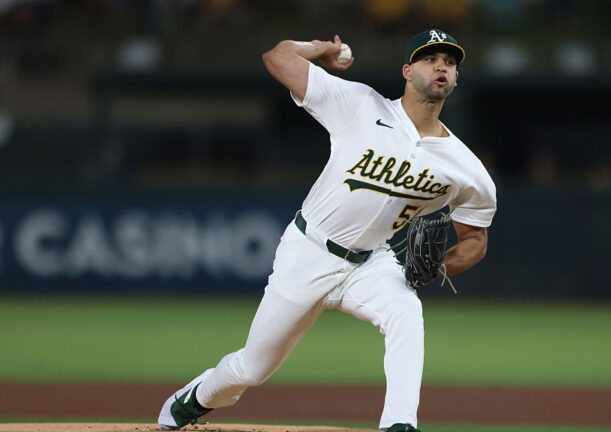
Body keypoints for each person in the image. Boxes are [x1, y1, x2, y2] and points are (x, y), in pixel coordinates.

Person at [157, 29, 496, 432]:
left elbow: (475, 238)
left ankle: (399, 425)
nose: (442, 65)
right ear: (407, 70)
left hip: (372, 262)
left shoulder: (466, 168)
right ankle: (194, 398)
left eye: (451, 62)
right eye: (430, 58)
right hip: (309, 251)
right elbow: (277, 58)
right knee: (253, 367)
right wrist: (319, 51)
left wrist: (441, 266)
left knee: (406, 311)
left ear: (455, 78)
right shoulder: (359, 104)